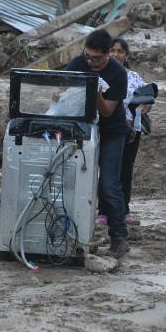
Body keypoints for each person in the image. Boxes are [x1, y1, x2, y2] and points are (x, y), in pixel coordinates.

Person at [65, 29, 129, 258]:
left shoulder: (118, 73)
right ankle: (74, 234)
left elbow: (108, 111)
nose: (90, 61)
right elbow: (58, 91)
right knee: (73, 181)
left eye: (96, 58)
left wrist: (95, 92)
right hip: (81, 130)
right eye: (88, 56)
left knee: (109, 185)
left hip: (111, 132)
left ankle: (119, 236)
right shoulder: (77, 63)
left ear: (108, 54)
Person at [110, 38, 149, 226]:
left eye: (120, 51)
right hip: (110, 129)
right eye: (112, 50)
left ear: (126, 55)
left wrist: (145, 106)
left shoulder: (134, 77)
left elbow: (147, 97)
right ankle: (104, 211)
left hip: (133, 131)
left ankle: (124, 211)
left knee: (125, 170)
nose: (116, 54)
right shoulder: (103, 75)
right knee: (108, 170)